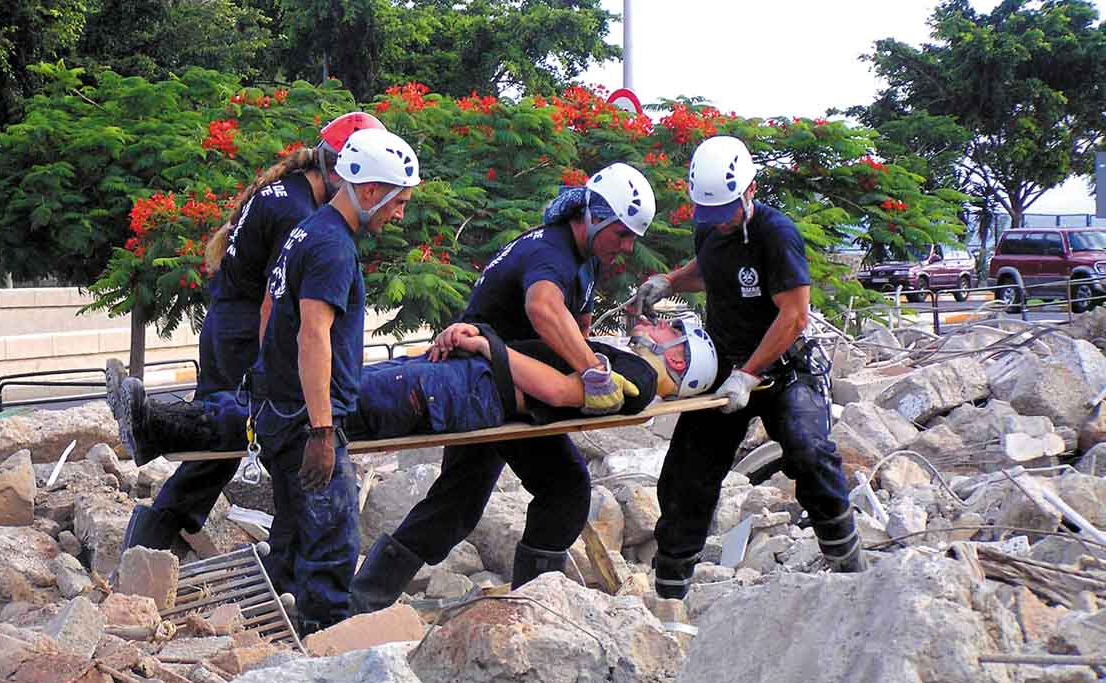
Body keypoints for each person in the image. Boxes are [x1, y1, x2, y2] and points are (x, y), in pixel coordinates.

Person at [348, 162, 658, 616]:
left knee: (459, 501)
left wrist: (581, 359)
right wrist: (592, 372)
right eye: (622, 235)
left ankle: (363, 602)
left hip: (503, 386)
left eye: (633, 238)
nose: (628, 248)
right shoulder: (551, 251)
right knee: (565, 488)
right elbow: (543, 308)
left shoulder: (583, 257)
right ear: (593, 217)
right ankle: (532, 607)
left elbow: (576, 324)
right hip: (483, 387)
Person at [108, 112, 386, 550]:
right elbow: (276, 304)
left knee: (226, 433)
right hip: (245, 331)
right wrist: (276, 371)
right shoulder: (299, 212)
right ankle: (155, 436)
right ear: (338, 169)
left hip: (225, 322)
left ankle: (156, 532)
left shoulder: (288, 194)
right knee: (258, 427)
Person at [631, 135, 866, 600]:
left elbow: (794, 315)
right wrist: (670, 280)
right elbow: (711, 266)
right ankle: (670, 598)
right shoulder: (711, 227)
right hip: (727, 363)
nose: (717, 224)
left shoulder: (776, 235)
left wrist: (749, 374)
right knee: (686, 475)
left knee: (807, 450)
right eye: (708, 215)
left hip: (785, 368)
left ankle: (849, 570)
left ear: (750, 191)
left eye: (725, 214)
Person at [242, 127, 419, 632]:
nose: (400, 213)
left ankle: (264, 629)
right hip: (306, 421)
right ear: (369, 191)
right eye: (398, 200)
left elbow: (273, 312)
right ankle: (323, 645)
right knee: (332, 543)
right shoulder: (332, 247)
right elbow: (313, 336)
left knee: (294, 533)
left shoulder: (308, 228)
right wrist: (321, 432)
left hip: (281, 408)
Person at [108, 313, 719, 456]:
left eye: (666, 327)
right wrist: (479, 337)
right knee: (306, 393)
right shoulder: (630, 366)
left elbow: (563, 393)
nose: (651, 323)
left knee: (310, 408)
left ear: (678, 356)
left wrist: (488, 347)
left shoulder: (637, 375)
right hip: (462, 385)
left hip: (465, 393)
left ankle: (157, 428)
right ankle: (162, 416)